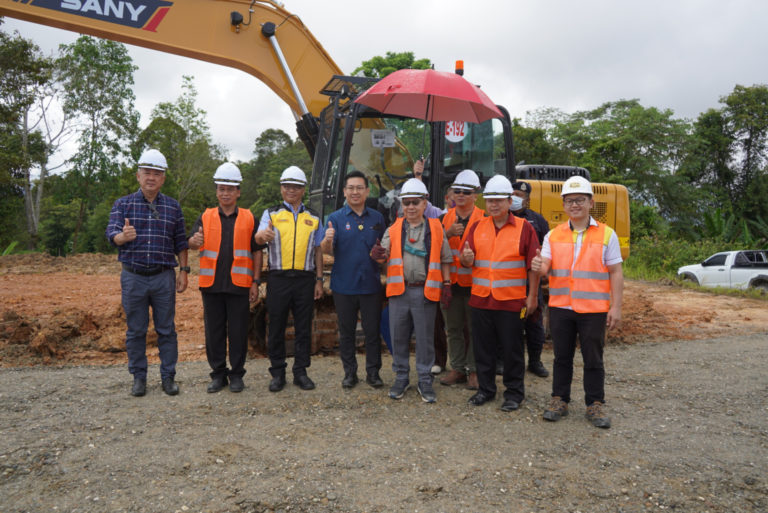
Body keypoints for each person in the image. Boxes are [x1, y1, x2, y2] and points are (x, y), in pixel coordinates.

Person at [531, 175, 623, 429]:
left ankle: (595, 403)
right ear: (563, 205)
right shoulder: (553, 235)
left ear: (591, 202)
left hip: (593, 310)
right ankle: (559, 399)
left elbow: (616, 272)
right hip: (561, 307)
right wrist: (539, 266)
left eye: (580, 200)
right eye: (570, 201)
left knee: (593, 358)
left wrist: (616, 307)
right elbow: (545, 266)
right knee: (561, 356)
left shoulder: (607, 234)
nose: (575, 205)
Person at [105, 148, 189, 397]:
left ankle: (168, 377)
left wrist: (184, 271)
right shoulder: (123, 204)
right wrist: (122, 237)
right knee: (136, 330)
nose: (151, 177)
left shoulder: (173, 207)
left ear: (163, 178)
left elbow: (181, 242)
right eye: (147, 172)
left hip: (163, 277)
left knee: (166, 329)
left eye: (157, 173)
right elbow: (111, 233)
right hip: (134, 277)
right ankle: (139, 378)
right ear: (138, 176)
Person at [459, 175, 540, 412]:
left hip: (511, 302)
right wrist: (466, 259)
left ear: (509, 201)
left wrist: (533, 297)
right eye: (490, 200)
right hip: (481, 299)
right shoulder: (477, 227)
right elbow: (466, 259)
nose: (493, 205)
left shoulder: (525, 228)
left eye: (498, 200)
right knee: (483, 348)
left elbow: (534, 266)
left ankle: (514, 393)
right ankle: (486, 389)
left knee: (512, 349)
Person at [370, 178, 452, 403]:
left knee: (425, 339)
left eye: (416, 202)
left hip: (425, 291)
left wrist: (447, 284)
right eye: (406, 203)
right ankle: (401, 377)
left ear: (425, 203)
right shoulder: (394, 229)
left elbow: (445, 258)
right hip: (399, 291)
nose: (411, 207)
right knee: (398, 337)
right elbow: (383, 255)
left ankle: (425, 379)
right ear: (401, 205)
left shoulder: (436, 228)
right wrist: (377, 255)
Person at [188, 163, 260, 394]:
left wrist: (256, 282)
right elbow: (192, 242)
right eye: (221, 189)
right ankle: (218, 374)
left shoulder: (249, 218)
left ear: (238, 192)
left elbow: (257, 251)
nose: (225, 193)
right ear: (217, 191)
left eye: (230, 189)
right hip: (212, 285)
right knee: (214, 333)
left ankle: (236, 375)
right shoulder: (205, 216)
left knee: (238, 332)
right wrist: (193, 242)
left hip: (240, 285)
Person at [254, 166, 327, 392]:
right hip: (279, 278)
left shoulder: (313, 217)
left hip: (305, 279)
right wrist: (263, 235)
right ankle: (277, 373)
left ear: (303, 190)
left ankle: (301, 372)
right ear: (281, 188)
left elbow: (318, 250)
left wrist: (319, 279)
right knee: (276, 326)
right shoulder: (271, 214)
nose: (291, 190)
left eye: (296, 186)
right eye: (287, 186)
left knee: (304, 327)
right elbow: (258, 238)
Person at [321, 170, 386, 388]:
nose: (355, 192)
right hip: (344, 285)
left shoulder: (377, 218)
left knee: (372, 332)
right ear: (344, 191)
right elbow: (326, 250)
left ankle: (373, 373)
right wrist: (327, 240)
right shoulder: (335, 219)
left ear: (367, 191)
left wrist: (382, 257)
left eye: (359, 188)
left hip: (370, 285)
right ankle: (350, 373)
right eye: (351, 188)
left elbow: (385, 250)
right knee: (347, 332)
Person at [438, 169, 485, 390]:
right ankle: (457, 368)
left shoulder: (484, 220)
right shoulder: (443, 219)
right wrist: (447, 234)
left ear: (475, 195)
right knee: (453, 328)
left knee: (476, 330)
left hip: (475, 285)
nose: (461, 195)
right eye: (457, 191)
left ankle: (473, 370)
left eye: (466, 192)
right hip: (450, 284)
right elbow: (432, 248)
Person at [511, 181, 550, 378]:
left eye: (519, 195)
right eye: (513, 194)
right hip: (510, 283)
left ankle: (535, 361)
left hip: (531, 283)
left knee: (534, 324)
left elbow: (547, 249)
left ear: (527, 199)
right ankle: (505, 361)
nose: (515, 198)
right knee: (511, 326)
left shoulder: (537, 220)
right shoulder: (502, 218)